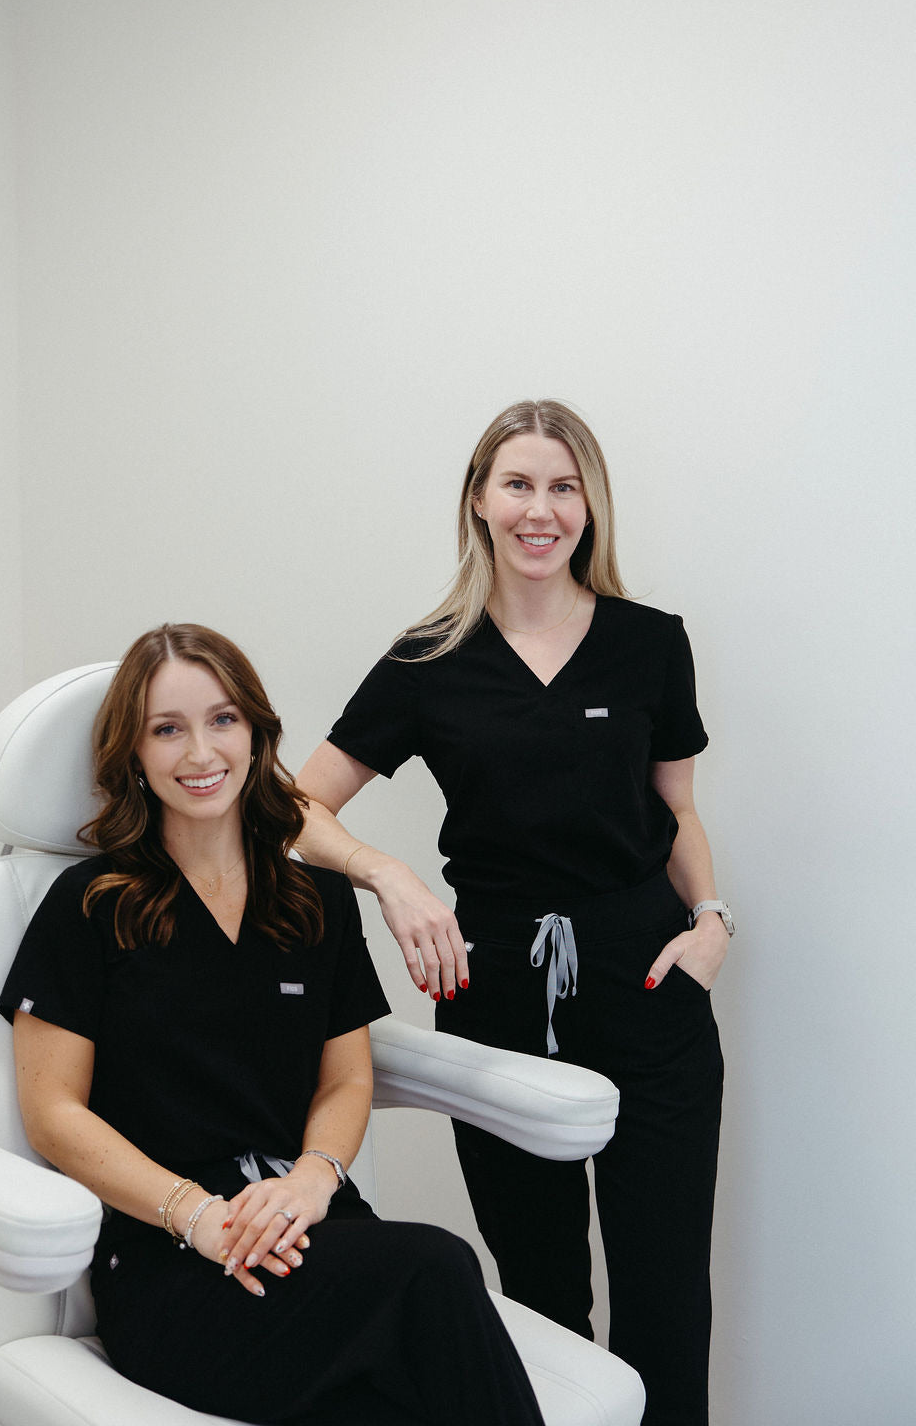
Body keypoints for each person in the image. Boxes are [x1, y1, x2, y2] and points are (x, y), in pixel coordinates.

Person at [295, 400, 729, 1426]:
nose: (542, 509)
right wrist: (390, 878)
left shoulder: (647, 644)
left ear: (590, 505)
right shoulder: (429, 659)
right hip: (495, 998)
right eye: (519, 485)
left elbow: (679, 811)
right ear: (480, 504)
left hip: (648, 983)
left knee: (666, 1296)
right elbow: (294, 809)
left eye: (563, 486)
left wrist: (710, 918)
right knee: (539, 1293)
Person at [0, 623, 547, 1426]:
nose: (199, 752)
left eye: (222, 720)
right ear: (134, 757)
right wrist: (198, 1216)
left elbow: (347, 1078)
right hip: (168, 1259)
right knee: (436, 1266)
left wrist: (314, 1180)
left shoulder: (313, 901)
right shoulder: (91, 906)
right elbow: (54, 1115)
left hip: (304, 1224)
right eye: (166, 729)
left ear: (256, 735)